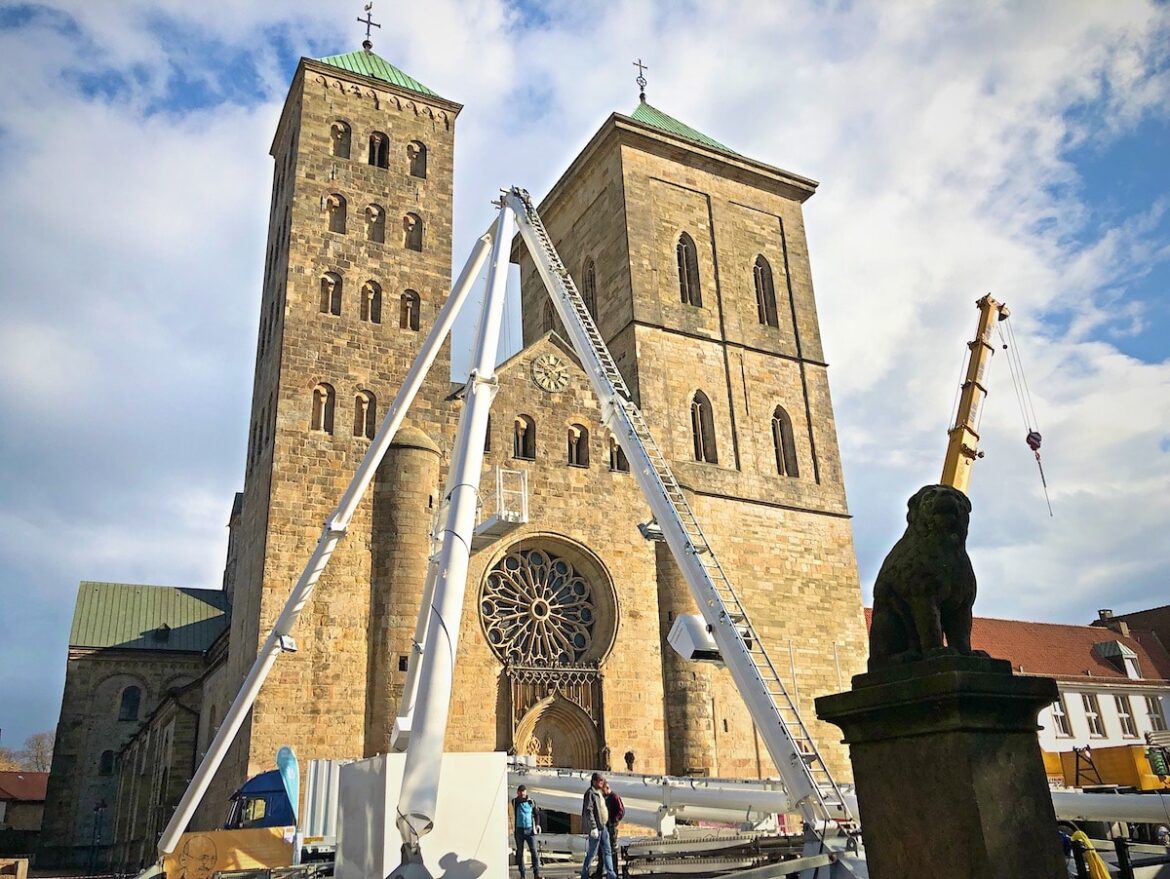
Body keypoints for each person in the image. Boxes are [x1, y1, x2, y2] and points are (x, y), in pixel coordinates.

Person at [580, 773, 616, 879]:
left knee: (607, 851)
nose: (602, 783)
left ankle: (611, 874)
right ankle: (584, 874)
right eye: (600, 781)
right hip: (596, 828)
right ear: (594, 781)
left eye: (602, 781)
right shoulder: (590, 793)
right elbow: (589, 810)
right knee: (592, 853)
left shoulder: (599, 793)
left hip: (603, 827)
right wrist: (593, 827)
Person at [592, 780, 624, 879]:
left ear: (606, 788)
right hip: (602, 827)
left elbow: (621, 811)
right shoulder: (601, 797)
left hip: (611, 828)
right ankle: (600, 872)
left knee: (612, 850)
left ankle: (614, 872)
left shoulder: (614, 797)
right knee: (601, 849)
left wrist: (614, 820)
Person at [511, 784, 542, 879]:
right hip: (519, 830)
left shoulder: (531, 802)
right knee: (520, 852)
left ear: (526, 792)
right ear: (517, 792)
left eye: (523, 791)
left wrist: (537, 825)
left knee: (534, 851)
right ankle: (522, 874)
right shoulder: (515, 801)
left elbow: (536, 814)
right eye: (520, 792)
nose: (522, 794)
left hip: (530, 830)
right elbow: (517, 803)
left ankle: (536, 873)